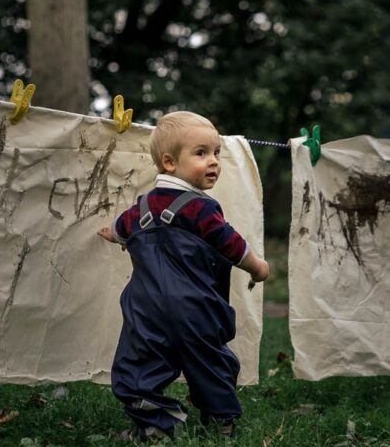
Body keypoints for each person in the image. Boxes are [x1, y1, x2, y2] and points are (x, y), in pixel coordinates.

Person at [98, 111, 270, 441]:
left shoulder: (142, 208)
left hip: (145, 310)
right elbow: (232, 246)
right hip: (196, 308)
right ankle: (221, 421)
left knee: (139, 365)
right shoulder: (201, 209)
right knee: (208, 362)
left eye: (216, 153)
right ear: (170, 162)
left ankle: (153, 422)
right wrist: (258, 267)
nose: (214, 162)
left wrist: (114, 235)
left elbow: (123, 228)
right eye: (201, 153)